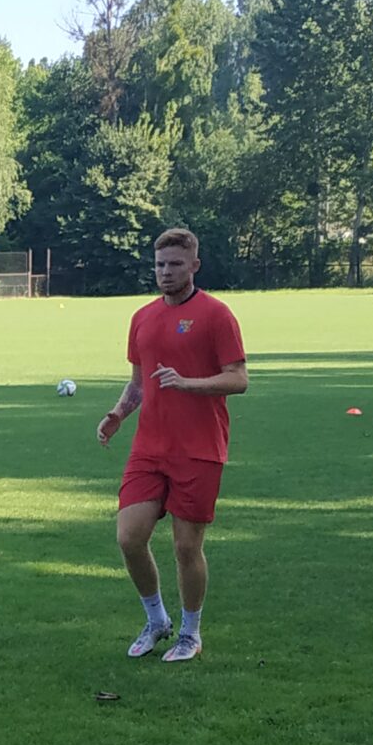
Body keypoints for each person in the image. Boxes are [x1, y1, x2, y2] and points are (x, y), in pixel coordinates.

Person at [98, 227, 248, 665]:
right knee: (129, 538)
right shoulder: (142, 317)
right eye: (160, 264)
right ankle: (156, 620)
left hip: (199, 447)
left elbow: (239, 378)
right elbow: (138, 383)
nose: (166, 272)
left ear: (194, 266)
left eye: (175, 264)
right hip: (149, 447)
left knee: (186, 547)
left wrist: (188, 383)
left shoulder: (217, 315)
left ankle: (190, 632)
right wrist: (118, 414)